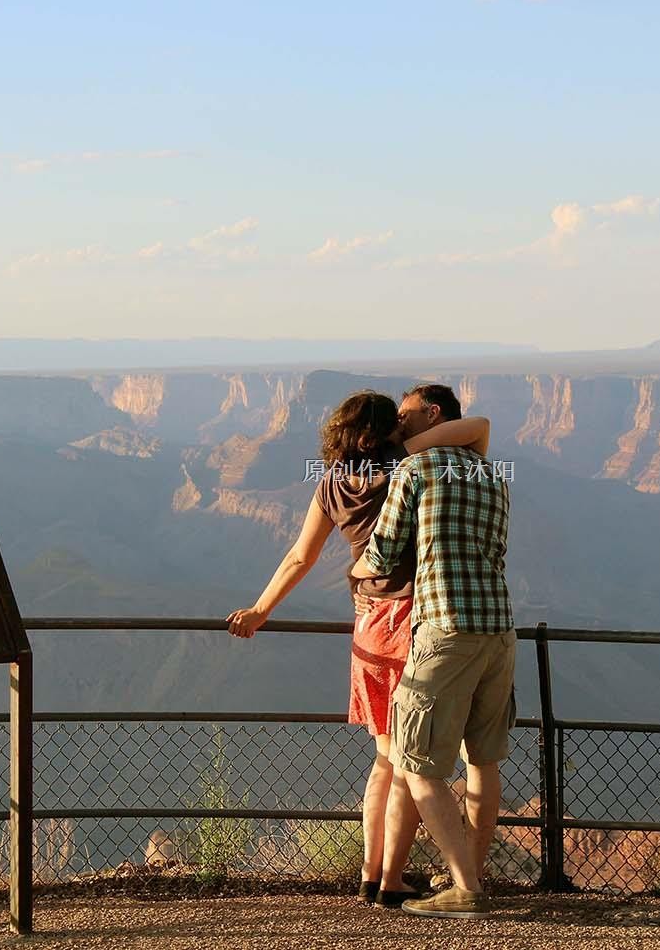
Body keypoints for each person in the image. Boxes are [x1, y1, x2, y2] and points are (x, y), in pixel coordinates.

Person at [225, 389, 490, 907]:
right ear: (384, 431)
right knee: (412, 760)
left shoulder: (331, 485)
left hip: (367, 623)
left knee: (383, 760)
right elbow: (478, 431)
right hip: (418, 619)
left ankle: (371, 876)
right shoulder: (411, 469)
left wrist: (260, 611)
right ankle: (390, 880)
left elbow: (300, 557)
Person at [351, 383, 514, 920]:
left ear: (433, 413)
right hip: (499, 630)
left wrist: (354, 571)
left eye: (405, 415)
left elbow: (383, 551)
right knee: (482, 761)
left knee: (416, 763)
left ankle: (465, 889)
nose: (398, 425)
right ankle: (471, 873)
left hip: (445, 629)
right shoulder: (492, 473)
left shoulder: (413, 471)